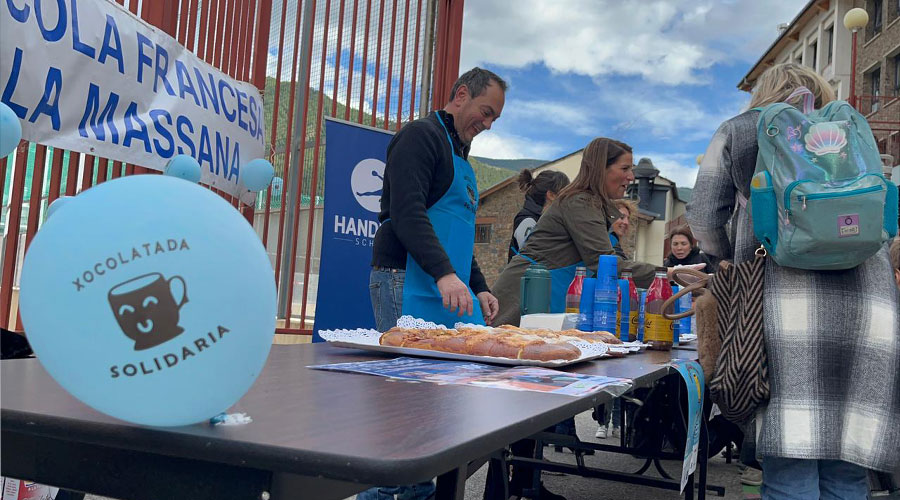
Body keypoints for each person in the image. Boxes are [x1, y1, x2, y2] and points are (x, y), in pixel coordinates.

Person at [687, 62, 900, 499]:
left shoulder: (742, 130)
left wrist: (725, 257)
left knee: (791, 464)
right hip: (871, 306)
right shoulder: (848, 131)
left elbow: (705, 217)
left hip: (785, 307)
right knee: (847, 467)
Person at [362, 67, 506, 500]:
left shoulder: (462, 158)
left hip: (446, 292)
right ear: (461, 95)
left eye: (495, 118)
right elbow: (407, 213)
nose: (488, 124)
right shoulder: (420, 136)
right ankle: (386, 495)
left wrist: (478, 285)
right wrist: (445, 273)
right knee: (406, 407)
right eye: (486, 112)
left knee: (437, 411)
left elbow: (459, 233)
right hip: (405, 279)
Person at [492, 137, 676, 326]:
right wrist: (669, 273)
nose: (631, 176)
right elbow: (604, 262)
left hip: (544, 296)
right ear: (601, 169)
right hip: (523, 299)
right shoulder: (580, 203)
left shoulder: (593, 206)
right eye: (624, 168)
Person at [508, 169, 570, 261]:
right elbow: (537, 258)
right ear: (551, 195)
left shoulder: (547, 220)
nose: (568, 199)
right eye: (565, 193)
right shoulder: (528, 221)